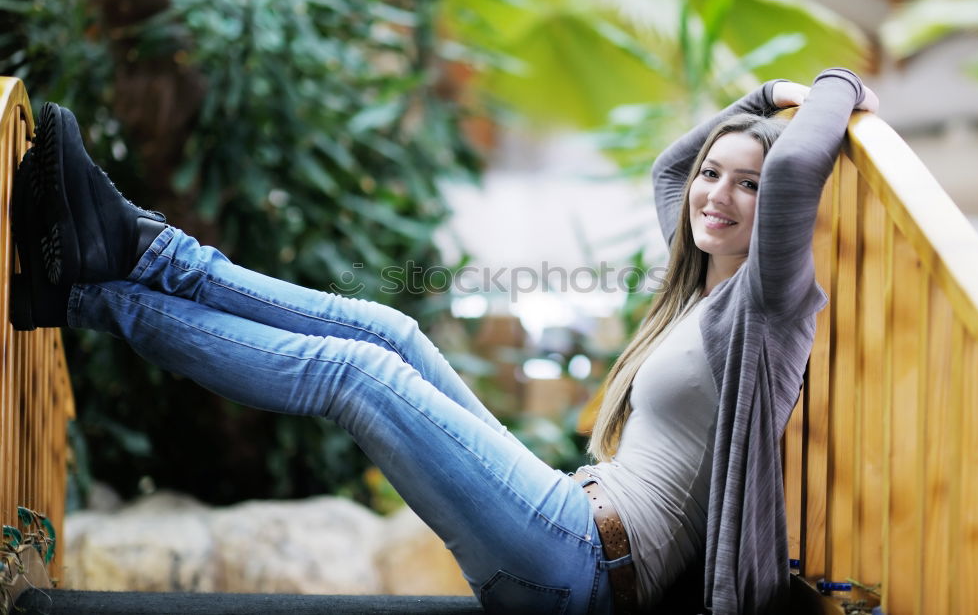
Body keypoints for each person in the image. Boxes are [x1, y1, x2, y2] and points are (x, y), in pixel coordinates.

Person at [10, 67, 876, 614]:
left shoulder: (767, 307)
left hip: (585, 569)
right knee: (390, 327)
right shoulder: (698, 282)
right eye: (715, 175)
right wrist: (758, 103)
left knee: (355, 375)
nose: (716, 195)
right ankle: (140, 247)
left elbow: (800, 166)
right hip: (568, 517)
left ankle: (88, 295)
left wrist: (830, 88)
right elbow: (671, 171)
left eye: (748, 186)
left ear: (778, 216)